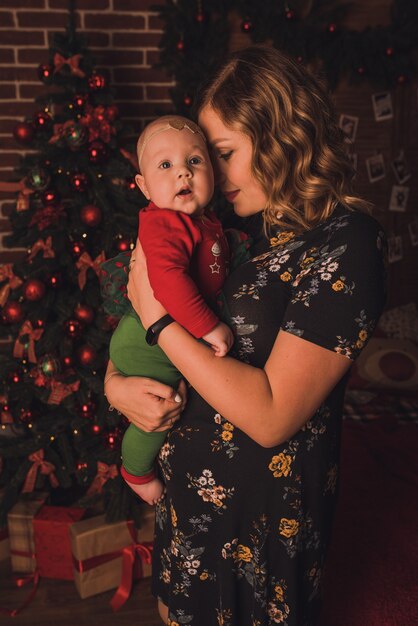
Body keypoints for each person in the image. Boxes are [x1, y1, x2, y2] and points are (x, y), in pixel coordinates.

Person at [104, 44, 387, 626]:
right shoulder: (236, 233)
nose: (206, 173)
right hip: (190, 511)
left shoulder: (349, 242)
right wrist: (116, 385)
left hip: (264, 532)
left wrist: (159, 320)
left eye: (222, 154)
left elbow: (273, 414)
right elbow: (145, 325)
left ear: (280, 135)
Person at [109, 115, 234, 506]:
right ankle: (136, 471)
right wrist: (209, 326)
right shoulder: (164, 224)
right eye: (166, 165)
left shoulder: (202, 221)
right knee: (159, 409)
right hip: (146, 343)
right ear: (144, 186)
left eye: (195, 161)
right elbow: (166, 280)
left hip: (164, 336)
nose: (183, 171)